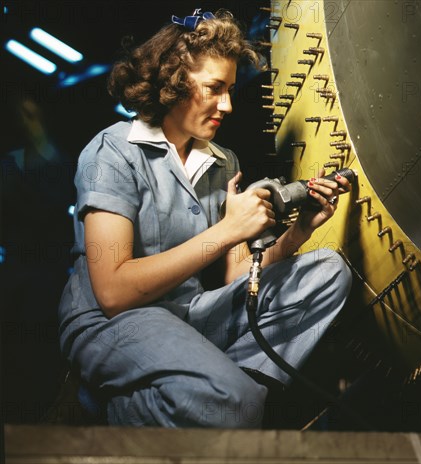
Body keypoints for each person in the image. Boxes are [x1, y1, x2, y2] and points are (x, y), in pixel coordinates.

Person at [57, 9, 352, 428]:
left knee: (328, 271)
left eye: (230, 90)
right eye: (215, 88)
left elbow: (238, 281)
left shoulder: (221, 162)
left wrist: (299, 230)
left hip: (190, 316)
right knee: (232, 402)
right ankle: (122, 409)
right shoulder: (114, 151)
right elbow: (113, 292)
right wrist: (229, 229)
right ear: (173, 82)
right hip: (114, 323)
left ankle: (231, 399)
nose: (228, 104)